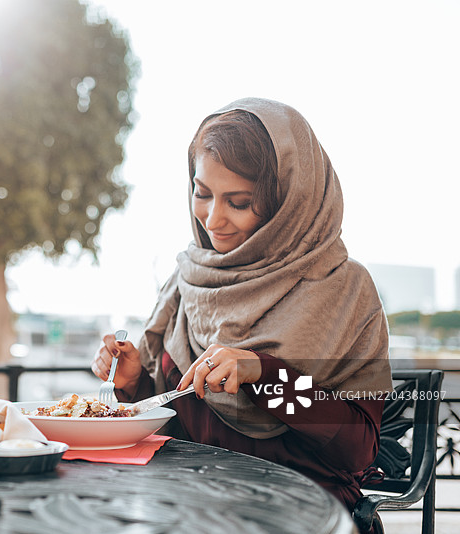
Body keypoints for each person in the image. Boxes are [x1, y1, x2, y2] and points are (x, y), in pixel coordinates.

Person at [91, 97, 392, 527]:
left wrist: (263, 373)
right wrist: (135, 384)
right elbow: (183, 436)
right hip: (191, 500)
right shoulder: (186, 281)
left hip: (301, 508)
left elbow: (357, 449)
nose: (213, 220)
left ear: (288, 200)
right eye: (202, 194)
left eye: (239, 202)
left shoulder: (342, 288)